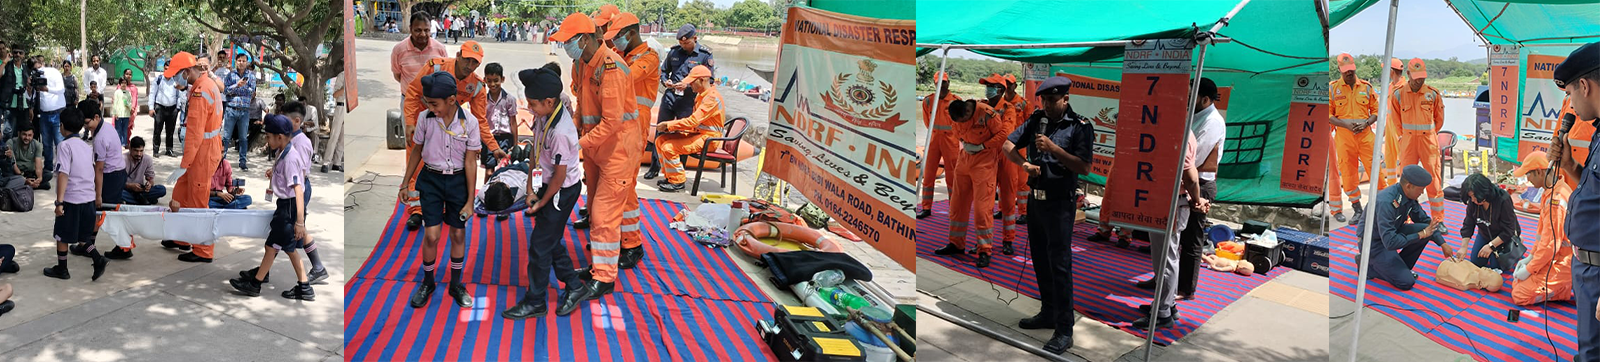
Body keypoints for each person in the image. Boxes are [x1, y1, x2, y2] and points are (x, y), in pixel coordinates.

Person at [550, 12, 640, 314]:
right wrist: (573, 126)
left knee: (602, 216)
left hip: (617, 150)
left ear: (585, 39)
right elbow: (582, 106)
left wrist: (576, 144)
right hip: (596, 148)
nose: (566, 47)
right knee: (595, 211)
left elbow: (613, 122)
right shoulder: (583, 64)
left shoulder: (611, 67)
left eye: (568, 42)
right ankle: (597, 267)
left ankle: (604, 277)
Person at [1000, 76, 1093, 354]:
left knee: (1060, 266)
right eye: (1044, 100)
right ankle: (1048, 312)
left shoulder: (1080, 127)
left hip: (1060, 205)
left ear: (1066, 98)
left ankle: (1065, 330)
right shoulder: (1037, 120)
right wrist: (1025, 164)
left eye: (1053, 100)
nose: (1048, 105)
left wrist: (1053, 148)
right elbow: (1007, 146)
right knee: (1040, 260)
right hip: (1036, 203)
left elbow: (1085, 167)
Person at [503, 65, 589, 319]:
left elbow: (560, 176)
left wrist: (542, 203)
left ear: (549, 102)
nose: (529, 108)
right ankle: (574, 286)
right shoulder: (544, 116)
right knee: (549, 240)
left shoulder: (562, 131)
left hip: (561, 191)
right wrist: (531, 188)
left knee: (540, 245)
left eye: (532, 104)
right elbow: (535, 153)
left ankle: (536, 300)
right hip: (546, 183)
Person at [400, 40, 503, 231]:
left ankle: (443, 205)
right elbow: (413, 93)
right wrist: (410, 123)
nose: (469, 66)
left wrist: (494, 146)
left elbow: (480, 121)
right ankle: (417, 210)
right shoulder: (436, 67)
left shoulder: (477, 86)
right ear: (458, 55)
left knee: (448, 165)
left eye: (475, 63)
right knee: (417, 164)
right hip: (423, 120)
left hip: (449, 126)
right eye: (467, 60)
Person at [402, 71, 480, 309]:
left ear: (452, 100)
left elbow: (470, 162)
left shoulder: (470, 122)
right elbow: (417, 150)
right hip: (432, 181)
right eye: (427, 102)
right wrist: (405, 183)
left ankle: (456, 284)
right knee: (432, 235)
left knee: (457, 234)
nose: (430, 107)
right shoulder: (426, 119)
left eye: (434, 104)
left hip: (457, 182)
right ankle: (428, 282)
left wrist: (469, 199)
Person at [1546, 41, 1600, 361]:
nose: (1569, 104)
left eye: (1569, 93)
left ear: (1584, 85)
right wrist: (1568, 166)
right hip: (1587, 266)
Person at [227, 114, 315, 300]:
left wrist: (300, 222)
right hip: (285, 206)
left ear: (280, 137)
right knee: (280, 248)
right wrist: (274, 173)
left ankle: (258, 284)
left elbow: (298, 190)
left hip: (288, 209)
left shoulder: (290, 158)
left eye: (268, 137)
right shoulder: (282, 152)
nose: (267, 141)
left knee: (278, 247)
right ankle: (299, 286)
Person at [1160, 77, 1227, 301]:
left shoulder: (1213, 122)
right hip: (1183, 181)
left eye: (1191, 96)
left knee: (1191, 239)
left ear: (1205, 99)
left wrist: (1193, 193)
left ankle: (1185, 288)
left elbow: (1191, 160)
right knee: (1170, 239)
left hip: (1199, 184)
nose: (1187, 99)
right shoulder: (1194, 116)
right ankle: (1164, 281)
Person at [159, 51, 225, 263]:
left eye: (177, 74)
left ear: (186, 72)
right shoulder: (202, 86)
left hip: (202, 152)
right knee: (181, 193)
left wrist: (185, 163)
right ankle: (183, 236)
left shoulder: (200, 93)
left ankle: (203, 250)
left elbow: (195, 134)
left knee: (197, 201)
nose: (175, 79)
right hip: (203, 149)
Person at [931, 99, 1004, 268]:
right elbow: (956, 130)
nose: (961, 123)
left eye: (963, 120)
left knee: (982, 209)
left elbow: (1002, 135)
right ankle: (956, 244)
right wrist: (964, 142)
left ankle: (984, 249)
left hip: (984, 162)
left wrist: (983, 146)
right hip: (964, 160)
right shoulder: (956, 115)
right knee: (957, 205)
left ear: (968, 112)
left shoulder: (987, 114)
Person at [1360, 165, 1456, 291]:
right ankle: (1369, 266)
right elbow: (1390, 242)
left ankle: (1399, 266)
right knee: (1406, 282)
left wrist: (1443, 244)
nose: (1422, 193)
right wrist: (1421, 234)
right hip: (1374, 242)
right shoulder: (1386, 202)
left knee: (1426, 230)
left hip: (1393, 233)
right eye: (1421, 189)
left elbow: (1425, 221)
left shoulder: (1409, 196)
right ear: (1409, 186)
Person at [42, 107, 110, 281]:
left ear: (62, 126)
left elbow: (63, 173)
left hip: (72, 199)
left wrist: (59, 202)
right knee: (82, 236)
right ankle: (98, 258)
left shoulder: (64, 146)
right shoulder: (86, 146)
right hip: (88, 198)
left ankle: (62, 269)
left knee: (62, 235)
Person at [646, 24, 714, 181]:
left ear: (694, 39)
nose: (684, 45)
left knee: (683, 134)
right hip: (670, 98)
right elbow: (664, 71)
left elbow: (708, 79)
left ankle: (678, 171)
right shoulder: (675, 52)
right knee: (661, 131)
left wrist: (688, 85)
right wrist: (666, 82)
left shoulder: (704, 55)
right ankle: (655, 167)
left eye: (687, 43)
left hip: (688, 100)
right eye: (682, 43)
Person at [1507, 151, 1573, 306]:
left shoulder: (1555, 200)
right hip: (1555, 257)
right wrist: (1530, 258)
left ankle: (1560, 288)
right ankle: (1560, 287)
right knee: (1517, 281)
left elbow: (1551, 245)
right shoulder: (1552, 190)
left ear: (1539, 171)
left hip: (1562, 262)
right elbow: (1542, 236)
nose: (1527, 180)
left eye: (1528, 175)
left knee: (1519, 295)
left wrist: (1530, 268)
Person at [1391, 58, 1447, 222]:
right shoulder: (1398, 94)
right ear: (1408, 74)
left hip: (1428, 143)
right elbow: (1396, 121)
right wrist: (1404, 136)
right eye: (1416, 77)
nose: (1419, 81)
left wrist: (1428, 134)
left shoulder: (1432, 94)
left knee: (1434, 181)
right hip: (1407, 143)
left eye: (1422, 77)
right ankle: (1405, 218)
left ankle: (1438, 220)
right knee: (1406, 181)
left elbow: (1439, 119)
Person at [652, 65, 722, 193]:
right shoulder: (701, 95)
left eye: (692, 82)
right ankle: (670, 176)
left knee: (669, 147)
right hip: (699, 134)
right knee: (660, 140)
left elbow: (693, 121)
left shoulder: (711, 98)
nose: (690, 85)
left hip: (709, 139)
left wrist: (669, 125)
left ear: (703, 80)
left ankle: (678, 181)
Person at [1330, 53, 1379, 223]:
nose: (1349, 73)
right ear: (1339, 70)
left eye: (1351, 70)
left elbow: (1376, 111)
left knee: (1376, 173)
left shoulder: (1366, 87)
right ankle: (1357, 209)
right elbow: (1328, 115)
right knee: (1349, 176)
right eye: (1345, 71)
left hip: (1366, 138)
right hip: (1344, 139)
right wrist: (1345, 125)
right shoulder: (1332, 89)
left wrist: (1366, 123)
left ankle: (1380, 208)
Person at [980, 74, 1023, 254]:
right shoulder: (981, 106)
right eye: (986, 85)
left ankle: (1008, 239)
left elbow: (1006, 133)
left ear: (1000, 89)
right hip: (987, 158)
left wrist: (983, 144)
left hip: (1006, 156)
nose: (987, 88)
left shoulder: (1009, 109)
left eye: (990, 85)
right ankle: (984, 244)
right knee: (984, 203)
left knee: (1007, 201)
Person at [1457, 173, 1523, 270]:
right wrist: (1463, 247)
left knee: (1497, 266)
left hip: (1503, 235)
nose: (1473, 200)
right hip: (1485, 233)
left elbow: (1508, 229)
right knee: (1476, 262)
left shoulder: (1503, 199)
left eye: (1475, 197)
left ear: (1484, 192)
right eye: (1470, 197)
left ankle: (1518, 240)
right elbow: (1468, 224)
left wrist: (1491, 246)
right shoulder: (1473, 202)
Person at [917, 73, 961, 219]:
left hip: (951, 142)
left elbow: (961, 123)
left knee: (952, 176)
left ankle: (954, 208)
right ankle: (926, 207)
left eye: (944, 83)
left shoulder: (956, 102)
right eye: (939, 83)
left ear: (948, 83)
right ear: (935, 84)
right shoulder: (929, 101)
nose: (941, 86)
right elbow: (927, 121)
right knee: (928, 175)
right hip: (933, 141)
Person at [222, 57, 256, 171]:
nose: (241, 63)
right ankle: (221, 161)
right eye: (239, 61)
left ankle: (243, 162)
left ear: (247, 63)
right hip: (231, 109)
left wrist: (242, 87)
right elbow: (225, 90)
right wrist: (237, 85)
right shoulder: (230, 75)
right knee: (226, 137)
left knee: (243, 138)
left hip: (244, 111)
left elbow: (252, 92)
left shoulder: (251, 76)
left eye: (243, 61)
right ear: (236, 62)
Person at [481, 63, 515, 172]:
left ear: (503, 79)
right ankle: (486, 189)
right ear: (484, 80)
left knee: (503, 168)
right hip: (489, 138)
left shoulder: (509, 99)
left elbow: (513, 122)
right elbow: (481, 122)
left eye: (496, 80)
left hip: (505, 138)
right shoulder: (482, 100)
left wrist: (515, 144)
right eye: (489, 80)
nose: (492, 84)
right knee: (489, 170)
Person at [1380, 57, 1406, 188]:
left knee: (1403, 158)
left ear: (1391, 71)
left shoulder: (1404, 88)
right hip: (1390, 127)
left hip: (1399, 128)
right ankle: (1391, 186)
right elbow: (1389, 111)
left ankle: (1404, 187)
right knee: (1389, 157)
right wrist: (1384, 129)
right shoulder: (1390, 87)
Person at [37, 60, 66, 173]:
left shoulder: (54, 73)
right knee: (46, 142)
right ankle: (48, 166)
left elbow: (61, 90)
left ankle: (61, 166)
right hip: (43, 114)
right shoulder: (33, 76)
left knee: (59, 142)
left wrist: (47, 89)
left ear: (42, 63)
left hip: (57, 113)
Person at [120, 136, 164, 205]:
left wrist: (149, 184)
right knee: (117, 193)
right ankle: (143, 200)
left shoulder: (147, 159)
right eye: (136, 151)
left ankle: (136, 200)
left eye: (141, 151)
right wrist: (130, 186)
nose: (139, 154)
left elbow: (151, 179)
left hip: (140, 190)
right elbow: (117, 183)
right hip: (126, 189)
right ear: (130, 149)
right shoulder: (122, 159)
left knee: (161, 189)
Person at [150, 70, 182, 157]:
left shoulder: (175, 80)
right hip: (160, 108)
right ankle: (156, 150)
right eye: (166, 68)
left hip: (172, 109)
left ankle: (169, 149)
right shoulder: (159, 79)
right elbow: (152, 93)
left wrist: (177, 108)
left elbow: (179, 95)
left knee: (170, 131)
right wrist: (151, 108)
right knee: (157, 130)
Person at [119, 68, 139, 145]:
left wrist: (132, 108)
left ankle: (126, 142)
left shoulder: (133, 87)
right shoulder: (120, 86)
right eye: (127, 74)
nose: (128, 76)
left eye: (130, 74)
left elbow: (134, 98)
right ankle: (119, 142)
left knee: (127, 127)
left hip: (130, 111)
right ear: (124, 75)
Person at [109, 78, 133, 146]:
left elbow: (130, 103)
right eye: (122, 83)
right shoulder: (117, 92)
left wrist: (127, 104)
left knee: (124, 130)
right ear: (120, 84)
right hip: (119, 114)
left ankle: (124, 143)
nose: (124, 84)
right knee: (118, 129)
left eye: (125, 83)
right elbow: (115, 103)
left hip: (126, 114)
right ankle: (117, 143)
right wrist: (115, 113)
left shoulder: (128, 93)